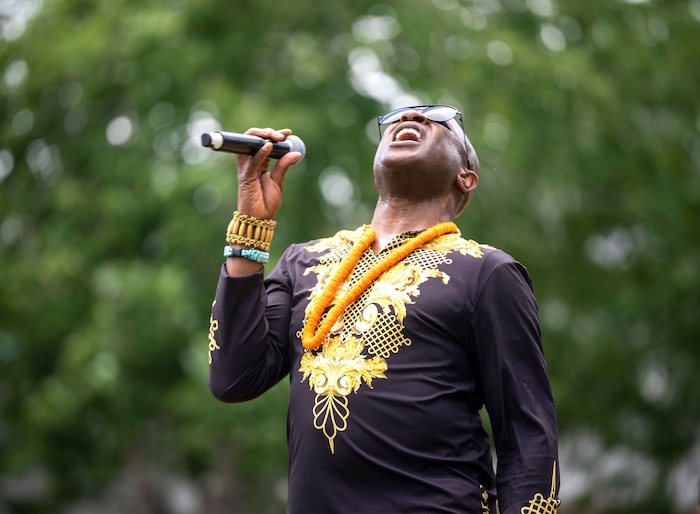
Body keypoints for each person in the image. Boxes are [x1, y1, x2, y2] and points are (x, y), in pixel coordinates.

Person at [207, 105, 560, 514]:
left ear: (466, 177)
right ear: (376, 173)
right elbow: (233, 378)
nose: (410, 117)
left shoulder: (487, 271)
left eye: (437, 119)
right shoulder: (304, 261)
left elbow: (528, 434)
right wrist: (251, 225)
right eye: (399, 116)